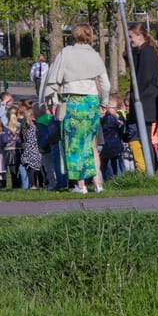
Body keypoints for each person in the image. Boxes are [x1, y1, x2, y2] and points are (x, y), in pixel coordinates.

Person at [45, 24, 110, 194]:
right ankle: (98, 184)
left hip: (72, 101)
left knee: (74, 144)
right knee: (91, 143)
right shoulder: (94, 55)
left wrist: (52, 101)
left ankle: (81, 186)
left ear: (73, 36)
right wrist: (104, 102)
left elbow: (53, 79)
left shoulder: (66, 53)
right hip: (91, 102)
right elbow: (106, 84)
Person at [128, 26, 158, 169]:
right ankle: (152, 169)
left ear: (139, 36)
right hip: (147, 100)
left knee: (145, 138)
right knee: (145, 138)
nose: (130, 40)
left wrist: (136, 97)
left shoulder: (146, 52)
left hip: (145, 101)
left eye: (131, 37)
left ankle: (151, 169)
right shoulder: (144, 52)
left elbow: (144, 77)